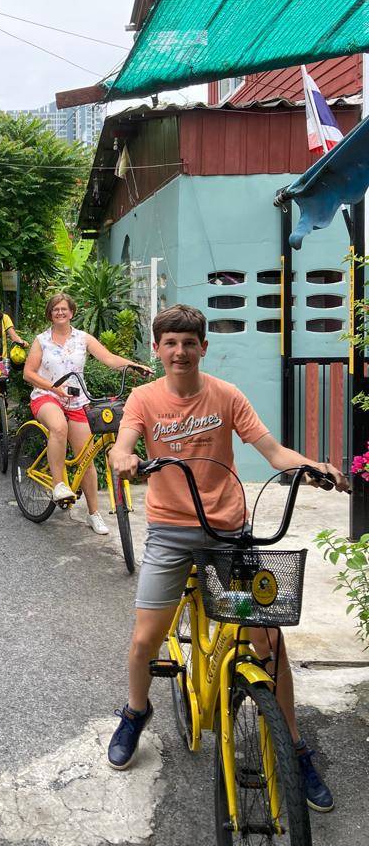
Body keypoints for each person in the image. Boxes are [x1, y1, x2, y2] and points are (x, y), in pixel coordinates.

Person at [108, 304, 348, 811]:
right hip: (170, 534)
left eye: (188, 343)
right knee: (145, 640)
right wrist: (125, 458)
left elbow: (274, 452)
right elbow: (122, 446)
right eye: (170, 343)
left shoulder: (227, 395)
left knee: (268, 641)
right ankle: (135, 711)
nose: (180, 352)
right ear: (157, 349)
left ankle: (294, 747)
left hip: (228, 535)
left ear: (203, 347)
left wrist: (311, 467)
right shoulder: (143, 398)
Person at [22, 292, 152, 535]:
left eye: (64, 309)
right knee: (58, 427)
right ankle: (58, 485)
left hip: (78, 400)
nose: (60, 312)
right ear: (50, 314)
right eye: (55, 309)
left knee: (86, 459)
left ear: (71, 312)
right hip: (47, 395)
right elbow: (28, 373)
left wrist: (134, 366)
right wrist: (54, 388)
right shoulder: (42, 340)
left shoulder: (82, 338)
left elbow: (108, 358)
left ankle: (93, 514)